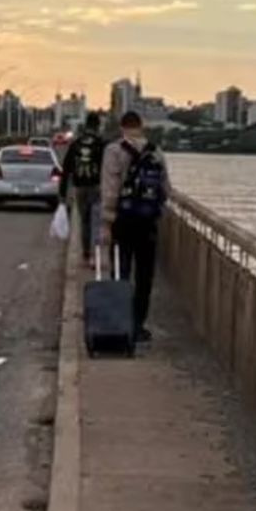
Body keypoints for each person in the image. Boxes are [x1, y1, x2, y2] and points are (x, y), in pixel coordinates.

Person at [100, 110, 171, 343]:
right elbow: (166, 190)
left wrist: (106, 223)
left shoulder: (114, 151)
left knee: (121, 271)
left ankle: (119, 324)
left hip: (123, 221)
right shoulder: (156, 151)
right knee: (144, 275)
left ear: (122, 127)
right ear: (141, 126)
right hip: (148, 223)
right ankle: (138, 326)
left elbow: (110, 190)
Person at [58, 112, 107, 265]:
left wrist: (63, 193)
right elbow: (109, 168)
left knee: (85, 222)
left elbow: (66, 169)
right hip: (97, 187)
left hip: (80, 188)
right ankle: (94, 255)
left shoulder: (76, 144)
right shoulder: (102, 144)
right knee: (96, 221)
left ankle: (86, 254)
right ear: (98, 125)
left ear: (86, 125)